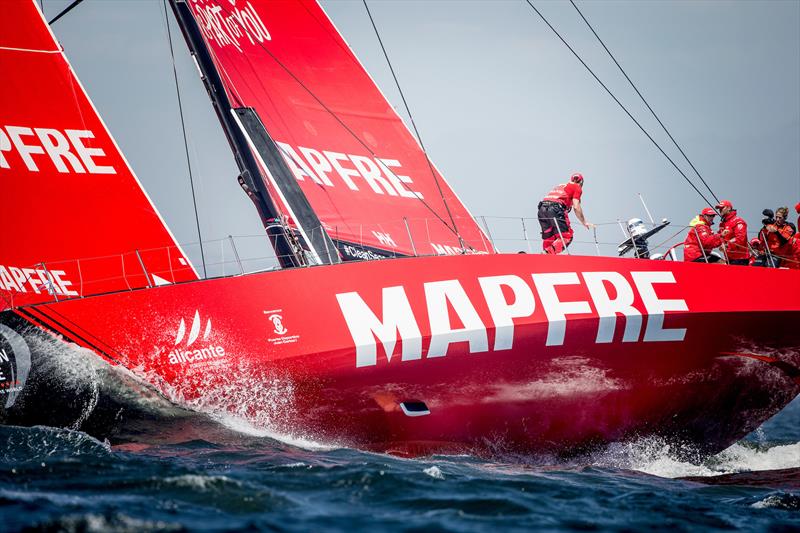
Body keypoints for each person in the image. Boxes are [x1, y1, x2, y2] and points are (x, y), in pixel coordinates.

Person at [537, 173, 595, 254]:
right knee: (566, 236)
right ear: (581, 182)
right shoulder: (577, 187)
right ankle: (548, 254)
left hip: (542, 209)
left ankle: (545, 255)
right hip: (555, 208)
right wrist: (584, 222)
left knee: (549, 237)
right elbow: (576, 206)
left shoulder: (561, 185)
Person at [715, 199, 749, 265]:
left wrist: (726, 245)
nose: (720, 209)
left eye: (722, 208)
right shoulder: (722, 224)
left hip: (740, 259)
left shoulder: (738, 221)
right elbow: (720, 239)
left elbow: (740, 239)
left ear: (729, 208)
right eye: (719, 208)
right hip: (729, 258)